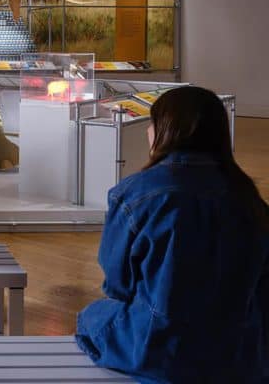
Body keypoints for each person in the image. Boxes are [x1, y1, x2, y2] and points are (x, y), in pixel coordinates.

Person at [76, 86, 269, 384]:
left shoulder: (135, 194)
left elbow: (118, 286)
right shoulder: (250, 198)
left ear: (165, 131)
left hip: (162, 351)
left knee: (91, 316)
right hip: (240, 353)